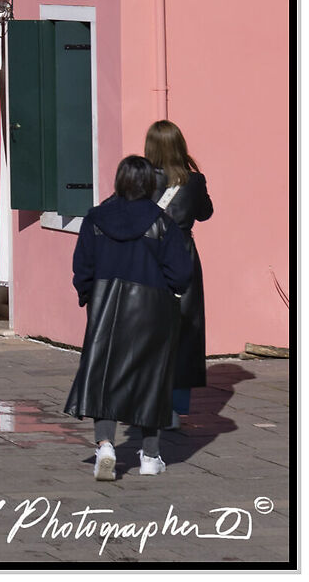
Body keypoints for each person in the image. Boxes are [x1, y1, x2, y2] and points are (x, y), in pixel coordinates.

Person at [68, 155, 195, 481]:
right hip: (153, 310)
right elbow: (180, 273)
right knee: (151, 381)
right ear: (150, 185)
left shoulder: (95, 219)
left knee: (103, 379)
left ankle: (106, 446)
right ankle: (151, 457)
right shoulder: (162, 223)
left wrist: (88, 297)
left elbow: (82, 267)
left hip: (106, 306)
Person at [144, 120, 212, 426]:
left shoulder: (141, 180)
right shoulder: (194, 181)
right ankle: (175, 408)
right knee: (185, 330)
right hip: (182, 255)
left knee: (146, 329)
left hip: (147, 257)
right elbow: (205, 213)